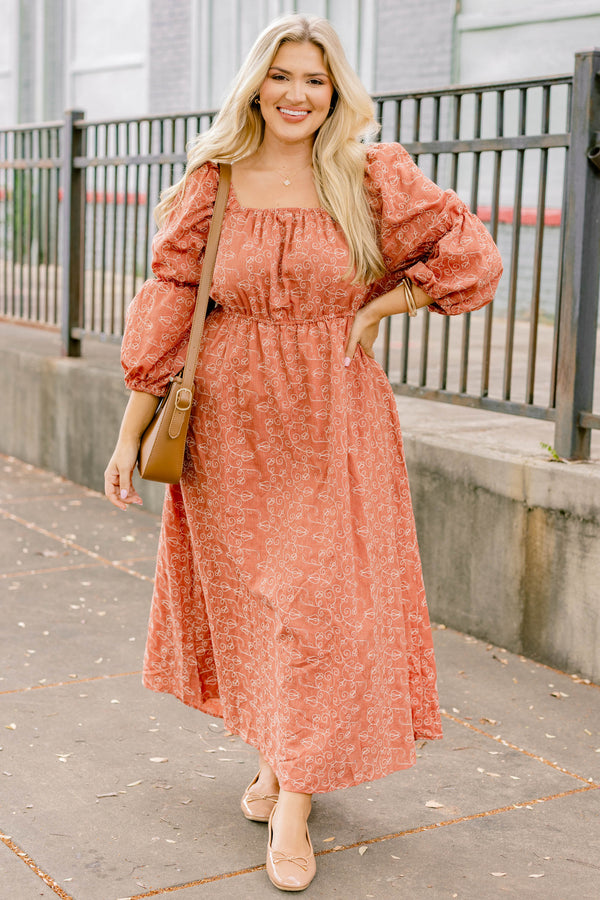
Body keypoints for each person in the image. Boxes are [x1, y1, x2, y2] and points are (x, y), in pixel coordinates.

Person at [105, 13, 502, 892]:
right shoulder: (216, 180)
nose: (296, 94)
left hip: (333, 419)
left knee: (318, 605)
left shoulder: (368, 175)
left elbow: (471, 256)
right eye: (280, 76)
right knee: (260, 604)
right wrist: (130, 435)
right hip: (230, 425)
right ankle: (280, 758)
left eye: (314, 80)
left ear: (336, 92)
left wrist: (376, 309)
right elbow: (172, 307)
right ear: (254, 85)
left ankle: (293, 801)